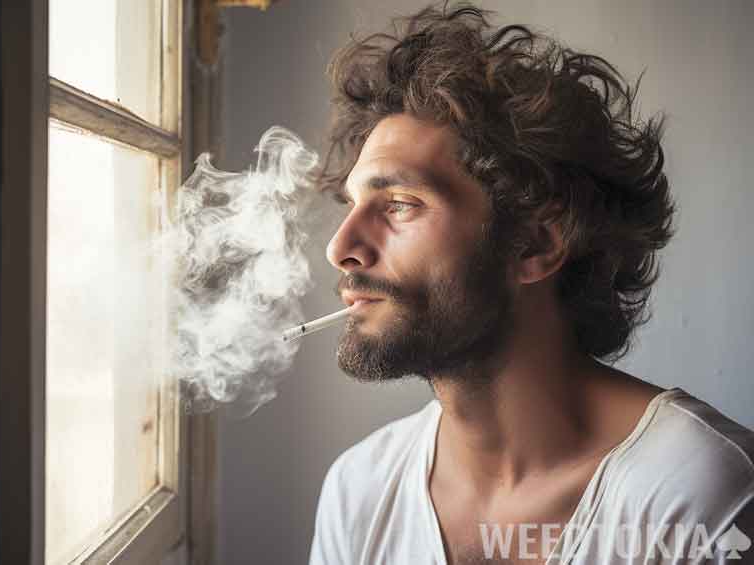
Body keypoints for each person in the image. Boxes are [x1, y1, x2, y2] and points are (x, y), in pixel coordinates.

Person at [309, 3, 754, 564]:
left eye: (399, 204)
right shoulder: (360, 490)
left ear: (535, 245)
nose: (340, 247)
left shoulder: (702, 502)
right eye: (352, 205)